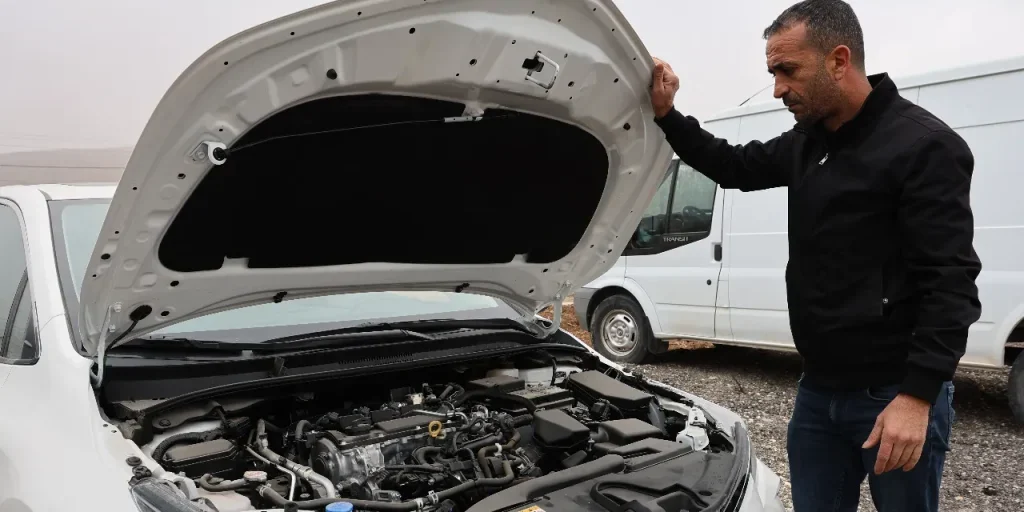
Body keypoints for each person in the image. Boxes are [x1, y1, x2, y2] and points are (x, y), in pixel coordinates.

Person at [648, 1, 982, 510]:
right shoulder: (809, 141)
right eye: (773, 72)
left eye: (788, 70)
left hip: (892, 393)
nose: (778, 87)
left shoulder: (924, 146)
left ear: (839, 60)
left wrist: (917, 398)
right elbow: (735, 165)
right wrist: (669, 116)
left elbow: (951, 281)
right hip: (818, 391)